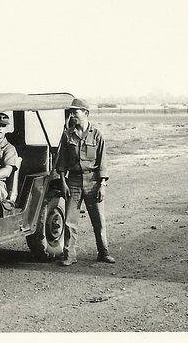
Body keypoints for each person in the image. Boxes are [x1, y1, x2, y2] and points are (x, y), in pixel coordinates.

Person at [55, 98, 115, 266]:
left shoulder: (97, 134)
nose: (72, 115)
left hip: (93, 181)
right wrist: (63, 182)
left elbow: (102, 162)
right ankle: (69, 255)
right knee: (69, 221)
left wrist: (102, 185)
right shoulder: (67, 135)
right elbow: (61, 162)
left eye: (75, 112)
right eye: (71, 112)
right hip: (73, 181)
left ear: (85, 113)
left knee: (98, 220)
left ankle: (103, 252)